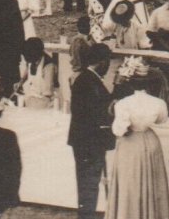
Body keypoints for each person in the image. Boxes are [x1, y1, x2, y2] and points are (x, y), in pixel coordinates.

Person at [105, 63, 169, 219]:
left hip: (130, 144)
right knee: (152, 184)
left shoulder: (123, 103)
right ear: (148, 83)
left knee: (130, 184)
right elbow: (162, 120)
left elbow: (118, 130)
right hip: (150, 140)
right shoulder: (158, 102)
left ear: (130, 82)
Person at [68, 43, 113, 219]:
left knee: (88, 184)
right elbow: (100, 111)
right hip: (89, 141)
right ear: (101, 62)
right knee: (89, 184)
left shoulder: (86, 78)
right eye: (107, 61)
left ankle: (86, 215)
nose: (108, 65)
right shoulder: (88, 81)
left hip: (85, 140)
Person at [17, 37, 57, 109]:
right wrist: (20, 82)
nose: (27, 60)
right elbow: (27, 73)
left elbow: (48, 93)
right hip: (32, 102)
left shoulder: (48, 66)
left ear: (35, 54)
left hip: (44, 104)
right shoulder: (31, 61)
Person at [69, 16, 92, 82]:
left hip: (79, 73)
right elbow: (77, 59)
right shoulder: (79, 40)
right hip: (81, 73)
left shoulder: (76, 39)